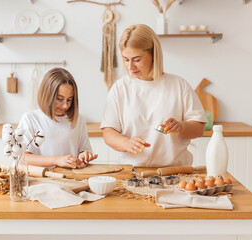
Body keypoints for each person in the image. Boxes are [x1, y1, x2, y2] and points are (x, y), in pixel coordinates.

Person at [101, 24, 207, 167]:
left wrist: (181, 126)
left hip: (174, 173)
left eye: (137, 59)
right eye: (126, 59)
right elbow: (108, 132)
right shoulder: (120, 89)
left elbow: (198, 129)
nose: (130, 67)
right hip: (132, 173)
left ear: (153, 55)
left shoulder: (179, 86)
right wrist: (126, 143)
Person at [18, 67, 98, 168]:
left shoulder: (78, 119)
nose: (65, 105)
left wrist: (84, 155)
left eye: (69, 100)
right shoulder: (30, 119)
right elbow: (22, 157)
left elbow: (83, 150)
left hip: (71, 179)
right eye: (60, 99)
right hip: (42, 180)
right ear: (47, 95)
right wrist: (57, 160)